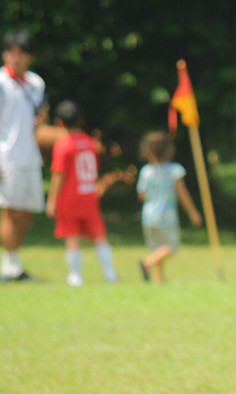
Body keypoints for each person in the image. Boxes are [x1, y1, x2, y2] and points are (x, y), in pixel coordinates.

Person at [45, 100, 129, 286]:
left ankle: (76, 276)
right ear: (81, 120)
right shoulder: (91, 143)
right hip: (90, 195)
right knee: (99, 235)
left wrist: (51, 201)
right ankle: (110, 273)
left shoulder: (63, 145)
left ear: (59, 122)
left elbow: (58, 175)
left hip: (69, 198)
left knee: (72, 237)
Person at [0, 30, 45, 282]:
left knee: (27, 210)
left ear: (30, 57)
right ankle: (9, 264)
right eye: (12, 53)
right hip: (7, 156)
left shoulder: (36, 84)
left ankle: (14, 262)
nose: (16, 58)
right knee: (11, 211)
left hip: (30, 155)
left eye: (22, 53)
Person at [136, 131, 202, 283]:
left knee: (158, 248)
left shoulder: (146, 171)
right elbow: (183, 194)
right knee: (172, 246)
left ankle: (160, 279)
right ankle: (147, 262)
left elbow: (142, 195)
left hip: (148, 215)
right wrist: (193, 213)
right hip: (167, 216)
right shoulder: (175, 170)